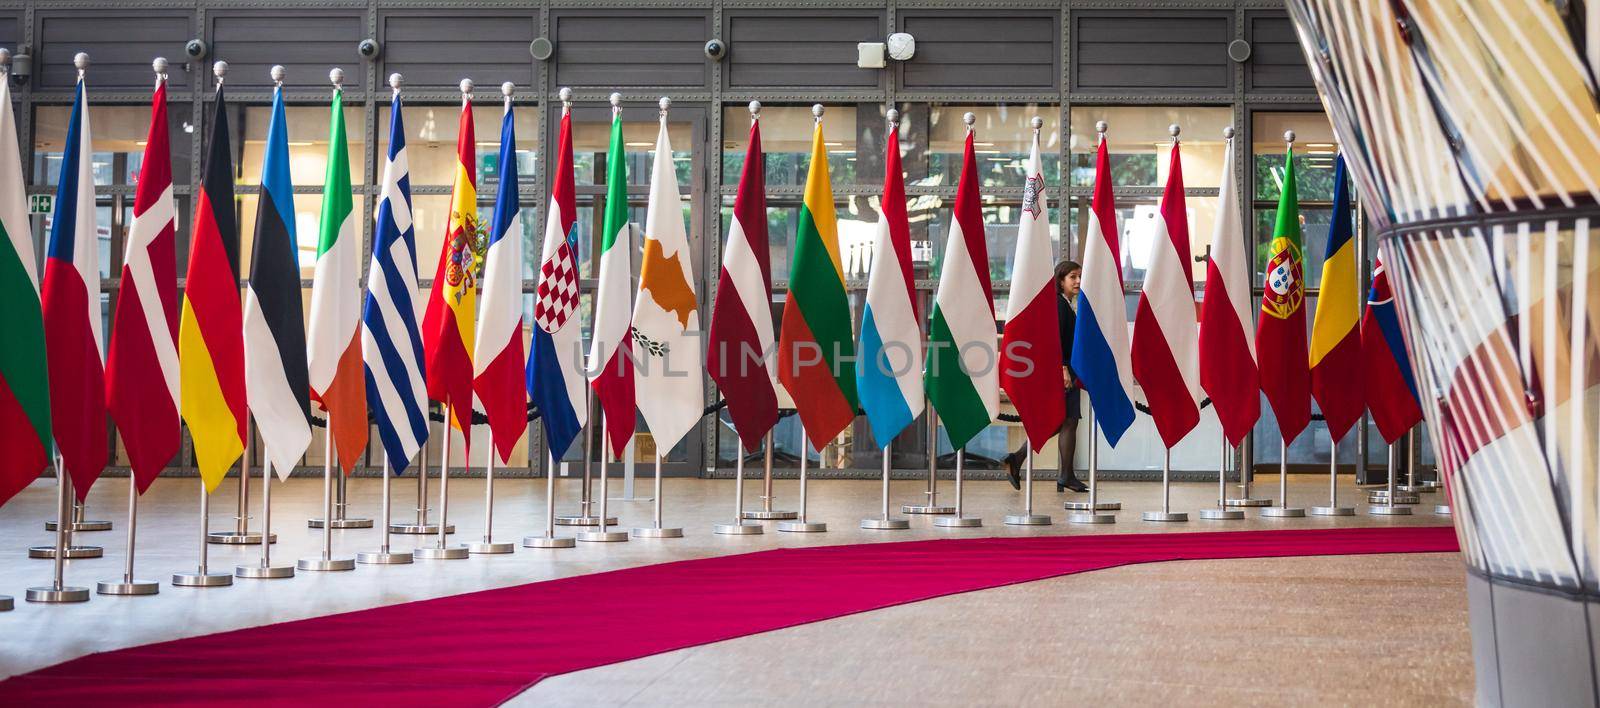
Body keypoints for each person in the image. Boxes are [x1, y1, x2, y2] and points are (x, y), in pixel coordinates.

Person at [1005, 260, 1087, 493]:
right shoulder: (1060, 305)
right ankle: (1065, 475)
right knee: (1069, 421)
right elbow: (1056, 340)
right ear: (1060, 280)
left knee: (1061, 421)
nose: (1078, 281)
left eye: (1080, 276)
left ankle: (1019, 458)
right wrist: (1063, 369)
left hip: (1065, 371)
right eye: (1073, 276)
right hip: (1062, 373)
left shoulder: (1065, 303)